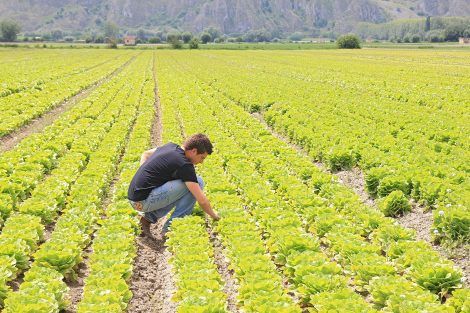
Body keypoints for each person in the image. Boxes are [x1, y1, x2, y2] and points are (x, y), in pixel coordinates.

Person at [127, 133, 220, 238]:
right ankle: (170, 229)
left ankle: (147, 219)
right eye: (202, 157)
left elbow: (145, 154)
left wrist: (145, 174)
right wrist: (214, 216)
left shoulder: (170, 146)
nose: (201, 162)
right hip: (142, 202)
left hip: (134, 198)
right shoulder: (184, 164)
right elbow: (201, 200)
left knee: (184, 184)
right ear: (194, 151)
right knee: (198, 182)